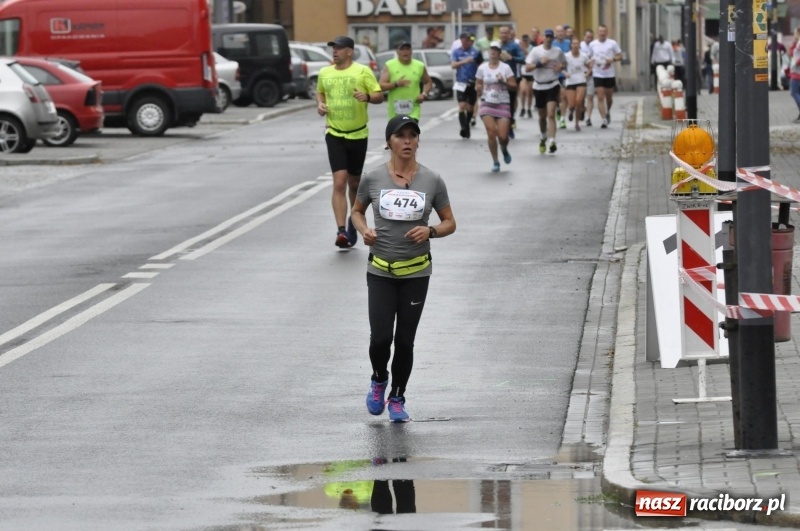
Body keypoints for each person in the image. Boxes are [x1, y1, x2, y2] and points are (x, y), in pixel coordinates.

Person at [351, 115, 456, 423]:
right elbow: (357, 211)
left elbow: (450, 222)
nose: (408, 141)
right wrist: (364, 230)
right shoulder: (372, 178)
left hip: (417, 272)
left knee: (405, 341)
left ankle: (397, 397)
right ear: (390, 143)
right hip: (381, 270)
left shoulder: (432, 180)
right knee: (380, 338)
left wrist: (432, 231)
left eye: (413, 135)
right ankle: (379, 378)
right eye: (401, 136)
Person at [317, 36, 383, 249]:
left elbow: (379, 95)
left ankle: (354, 220)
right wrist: (320, 105)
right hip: (334, 133)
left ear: (349, 51)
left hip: (358, 133)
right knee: (339, 181)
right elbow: (320, 93)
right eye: (333, 48)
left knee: (354, 183)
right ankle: (341, 231)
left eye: (339, 48)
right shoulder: (324, 73)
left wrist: (367, 97)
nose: (334, 51)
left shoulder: (362, 71)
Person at [476, 40, 517, 172]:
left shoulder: (505, 68)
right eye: (491, 50)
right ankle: (495, 161)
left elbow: (514, 86)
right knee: (491, 132)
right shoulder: (482, 68)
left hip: (502, 103)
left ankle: (504, 149)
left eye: (495, 50)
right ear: (489, 52)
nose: (493, 52)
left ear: (499, 53)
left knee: (503, 137)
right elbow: (479, 85)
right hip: (487, 103)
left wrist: (503, 81)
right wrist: (478, 88)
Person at [525, 28, 567, 154]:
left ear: (553, 38)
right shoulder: (536, 51)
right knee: (542, 116)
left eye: (550, 36)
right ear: (543, 37)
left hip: (553, 84)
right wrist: (539, 64)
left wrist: (561, 67)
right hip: (539, 86)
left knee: (551, 113)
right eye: (547, 36)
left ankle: (552, 141)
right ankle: (543, 136)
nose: (548, 38)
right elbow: (527, 68)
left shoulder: (557, 51)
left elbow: (564, 63)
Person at [379, 41, 433, 121]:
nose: (405, 52)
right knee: (397, 133)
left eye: (408, 49)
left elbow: (428, 82)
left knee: (411, 132)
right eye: (402, 49)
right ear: (397, 52)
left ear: (411, 51)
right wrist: (396, 84)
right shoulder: (390, 65)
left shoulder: (419, 66)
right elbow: (381, 86)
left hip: (413, 110)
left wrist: (424, 94)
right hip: (395, 111)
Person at [588, 24, 622, 129]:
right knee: (600, 97)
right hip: (597, 74)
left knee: (609, 98)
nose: (602, 33)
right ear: (598, 33)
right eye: (600, 31)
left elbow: (620, 55)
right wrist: (591, 62)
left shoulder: (612, 43)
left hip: (609, 74)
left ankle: (608, 112)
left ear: (607, 32)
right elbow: (589, 57)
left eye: (604, 31)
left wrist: (613, 60)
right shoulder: (593, 44)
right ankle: (604, 119)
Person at [451, 31, 482, 138]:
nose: (469, 41)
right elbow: (453, 65)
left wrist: (480, 81)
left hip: (472, 82)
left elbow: (481, 66)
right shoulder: (456, 52)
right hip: (461, 82)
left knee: (470, 107)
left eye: (470, 39)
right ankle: (463, 127)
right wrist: (465, 61)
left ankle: (467, 125)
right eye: (467, 39)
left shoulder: (476, 52)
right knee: (462, 105)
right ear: (462, 40)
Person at [497, 26, 526, 138]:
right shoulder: (496, 46)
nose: (503, 35)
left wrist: (512, 58)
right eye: (502, 33)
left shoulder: (514, 46)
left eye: (505, 33)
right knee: (499, 103)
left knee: (509, 103)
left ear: (509, 34)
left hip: (511, 79)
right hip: (498, 79)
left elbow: (523, 59)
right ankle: (501, 126)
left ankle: (509, 125)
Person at [564, 38, 592, 132]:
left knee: (579, 102)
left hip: (581, 80)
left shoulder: (584, 56)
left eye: (577, 44)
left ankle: (576, 124)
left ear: (579, 46)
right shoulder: (566, 56)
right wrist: (565, 73)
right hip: (570, 81)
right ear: (571, 46)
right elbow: (561, 67)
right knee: (572, 104)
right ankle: (571, 110)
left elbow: (589, 67)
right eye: (574, 44)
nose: (575, 46)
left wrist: (588, 73)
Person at [552, 25, 572, 129]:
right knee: (555, 98)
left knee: (564, 96)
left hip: (565, 74)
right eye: (558, 31)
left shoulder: (569, 43)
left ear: (564, 32)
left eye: (562, 31)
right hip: (554, 74)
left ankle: (563, 119)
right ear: (556, 33)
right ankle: (558, 110)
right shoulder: (552, 44)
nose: (560, 33)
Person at [580, 29, 596, 126]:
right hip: (581, 75)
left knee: (590, 97)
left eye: (591, 37)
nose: (589, 39)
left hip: (591, 75)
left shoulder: (595, 46)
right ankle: (582, 109)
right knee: (581, 98)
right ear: (584, 37)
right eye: (587, 37)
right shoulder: (580, 46)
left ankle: (588, 117)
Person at [518, 34, 534, 118]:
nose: (525, 42)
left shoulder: (532, 48)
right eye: (523, 40)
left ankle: (529, 109)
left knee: (529, 92)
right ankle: (523, 108)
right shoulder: (519, 48)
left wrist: (524, 49)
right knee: (523, 90)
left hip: (531, 73)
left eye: (526, 40)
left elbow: (530, 57)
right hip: (523, 72)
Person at [790, 27, 800, 122]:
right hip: (795, 72)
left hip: (797, 72)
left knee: (794, 93)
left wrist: (797, 62)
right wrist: (793, 42)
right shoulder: (797, 43)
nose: (794, 35)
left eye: (795, 33)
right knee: (797, 93)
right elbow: (790, 53)